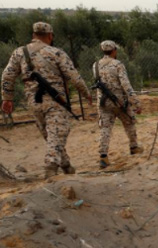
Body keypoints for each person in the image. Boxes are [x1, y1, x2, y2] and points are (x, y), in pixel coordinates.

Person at [1, 22, 92, 178]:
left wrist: (7, 98)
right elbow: (74, 77)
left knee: (52, 135)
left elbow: (7, 76)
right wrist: (86, 94)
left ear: (33, 35)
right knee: (58, 133)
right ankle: (51, 167)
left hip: (34, 102)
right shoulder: (56, 53)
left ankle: (66, 166)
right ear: (50, 36)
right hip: (56, 101)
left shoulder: (19, 53)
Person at [93, 40, 143, 169]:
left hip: (103, 102)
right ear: (114, 50)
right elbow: (125, 85)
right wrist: (136, 102)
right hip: (120, 102)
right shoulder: (118, 64)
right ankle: (134, 147)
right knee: (130, 122)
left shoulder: (96, 65)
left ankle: (103, 157)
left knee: (105, 129)